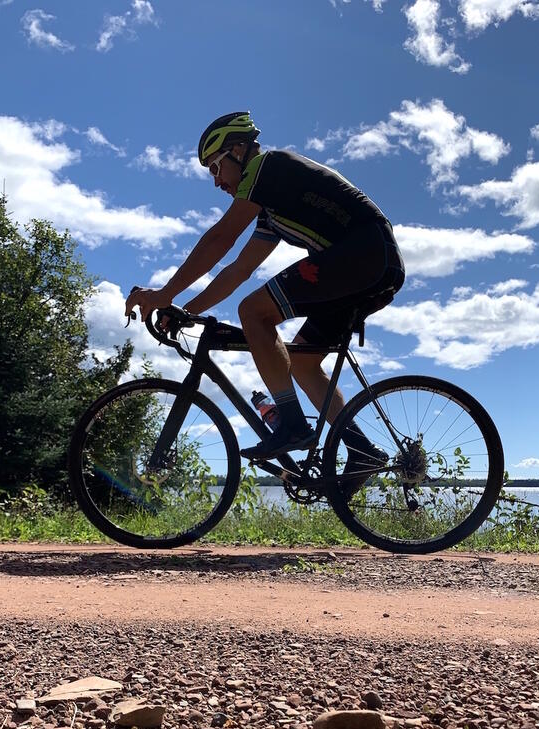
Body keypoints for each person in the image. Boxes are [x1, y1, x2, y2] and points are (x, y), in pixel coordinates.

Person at [125, 111, 405, 469]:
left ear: (239, 151)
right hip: (371, 264)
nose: (216, 182)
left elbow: (220, 239)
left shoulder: (267, 168)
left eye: (215, 167)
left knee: (253, 312)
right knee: (302, 363)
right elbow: (239, 270)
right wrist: (186, 310)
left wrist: (163, 295)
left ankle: (290, 424)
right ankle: (363, 452)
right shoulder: (272, 207)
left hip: (363, 256)